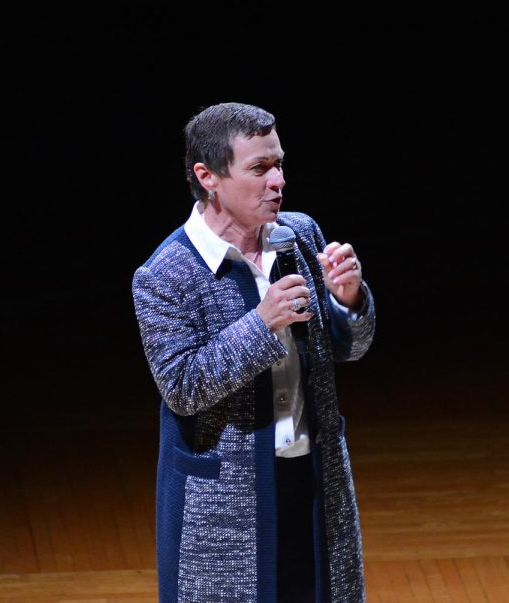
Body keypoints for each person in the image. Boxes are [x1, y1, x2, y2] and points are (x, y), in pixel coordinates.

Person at [131, 102, 376, 602]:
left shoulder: (299, 235)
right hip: (227, 504)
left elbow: (350, 350)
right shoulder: (165, 274)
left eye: (279, 163)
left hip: (312, 480)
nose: (277, 181)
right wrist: (260, 324)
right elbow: (183, 388)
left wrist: (348, 299)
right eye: (260, 169)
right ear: (208, 177)